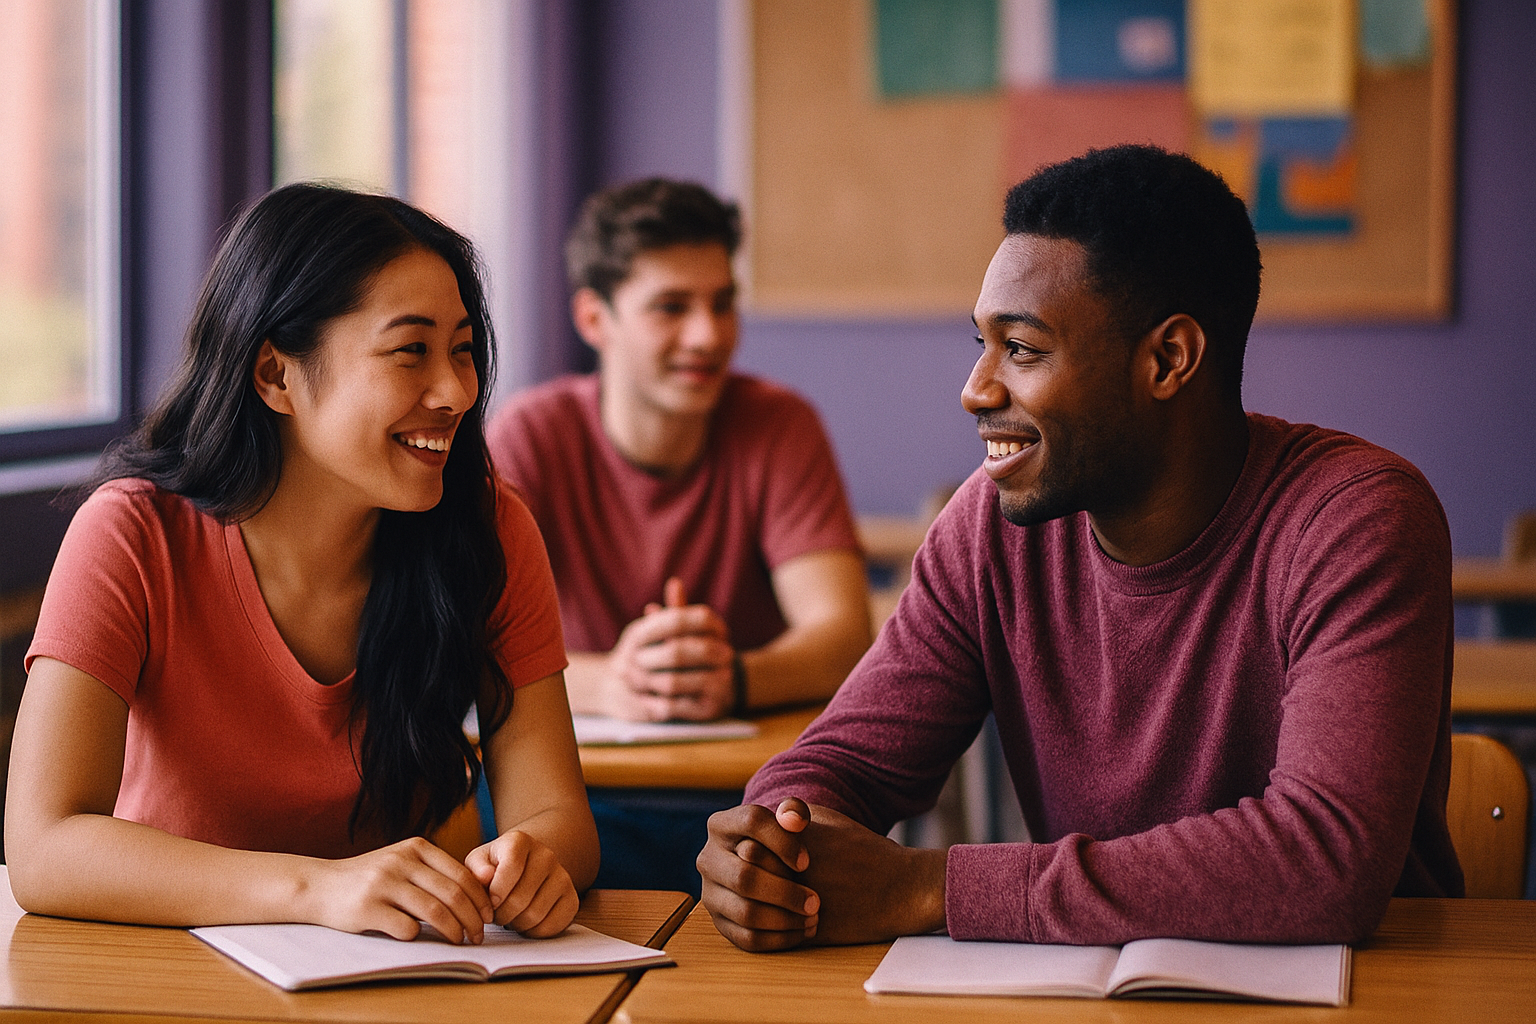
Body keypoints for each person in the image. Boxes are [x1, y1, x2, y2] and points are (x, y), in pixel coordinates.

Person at [697, 145, 1463, 951]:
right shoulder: (988, 526)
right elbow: (845, 761)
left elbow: (1326, 861)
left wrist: (930, 887)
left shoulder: (1358, 519)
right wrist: (775, 842)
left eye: (1022, 350)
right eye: (981, 344)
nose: (976, 389)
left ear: (1168, 359)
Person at [6, 183, 599, 942]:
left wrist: (533, 861)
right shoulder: (132, 534)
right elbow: (44, 846)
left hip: (417, 971)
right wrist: (317, 890)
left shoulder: (489, 527)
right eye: (410, 351)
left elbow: (562, 822)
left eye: (462, 350)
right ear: (275, 376)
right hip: (172, 969)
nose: (456, 390)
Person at [484, 178, 870, 894]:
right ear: (594, 319)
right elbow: (465, 648)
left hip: (746, 796)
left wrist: (733, 679)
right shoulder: (530, 434)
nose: (708, 335)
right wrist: (618, 682)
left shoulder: (780, 425)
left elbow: (843, 631)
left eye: (723, 303)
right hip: (578, 792)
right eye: (671, 307)